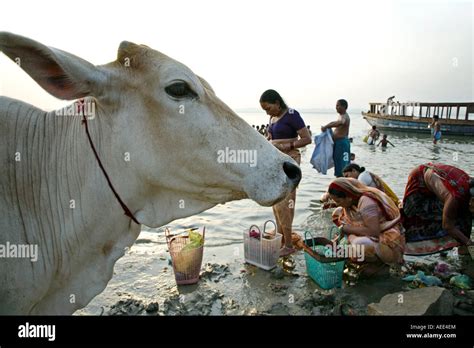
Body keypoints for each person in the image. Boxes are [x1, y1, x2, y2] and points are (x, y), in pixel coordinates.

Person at [260, 89, 312, 256]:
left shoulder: (291, 114)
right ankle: (282, 240)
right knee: (276, 203)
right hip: (275, 161)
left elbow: (307, 138)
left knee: (286, 202)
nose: (267, 112)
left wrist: (288, 146)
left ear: (277, 102)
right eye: (265, 110)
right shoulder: (272, 118)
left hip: (289, 161)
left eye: (268, 108)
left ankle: (289, 245)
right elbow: (270, 138)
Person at [329, 178, 405, 275]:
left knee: (360, 244)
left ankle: (380, 264)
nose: (336, 204)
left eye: (338, 201)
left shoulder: (366, 201)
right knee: (337, 213)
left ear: (349, 197)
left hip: (388, 239)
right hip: (373, 234)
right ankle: (366, 262)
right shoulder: (352, 203)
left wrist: (346, 229)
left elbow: (373, 231)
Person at [401, 163, 474, 255]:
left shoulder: (469, 186)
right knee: (411, 214)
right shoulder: (454, 198)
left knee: (465, 216)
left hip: (440, 184)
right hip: (419, 180)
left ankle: (463, 250)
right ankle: (464, 246)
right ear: (472, 201)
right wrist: (469, 243)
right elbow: (447, 226)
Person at [321, 99, 351, 177]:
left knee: (343, 164)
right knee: (337, 163)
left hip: (342, 143)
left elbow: (340, 122)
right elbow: (335, 122)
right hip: (338, 143)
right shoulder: (340, 116)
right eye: (336, 106)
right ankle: (339, 180)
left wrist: (327, 126)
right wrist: (327, 126)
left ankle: (343, 181)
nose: (336, 107)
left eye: (338, 105)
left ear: (344, 106)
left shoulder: (345, 116)